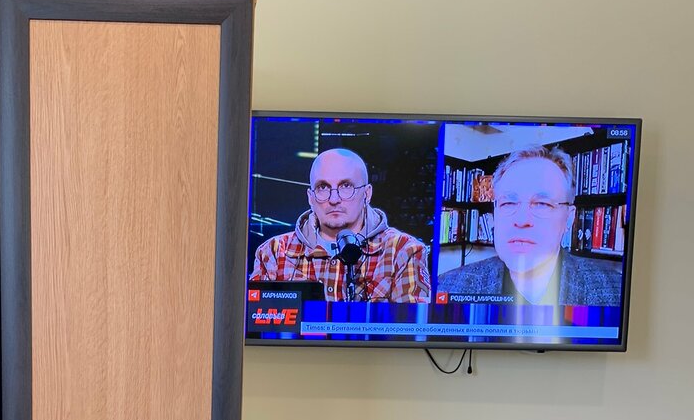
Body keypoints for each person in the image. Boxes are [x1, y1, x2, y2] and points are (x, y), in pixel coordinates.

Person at [437, 145, 622, 306]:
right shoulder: (447, 287)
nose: (521, 220)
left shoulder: (615, 292)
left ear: (569, 218)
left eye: (542, 204)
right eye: (508, 203)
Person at [249, 147, 430, 302]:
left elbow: (410, 329)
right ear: (310, 198)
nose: (334, 199)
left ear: (367, 194)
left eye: (346, 186)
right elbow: (255, 325)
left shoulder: (404, 251)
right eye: (323, 187)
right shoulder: (273, 252)